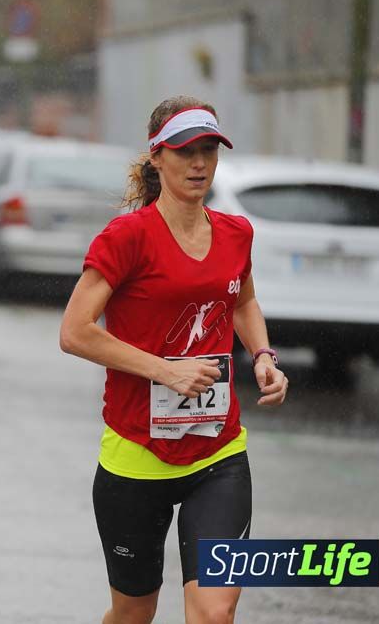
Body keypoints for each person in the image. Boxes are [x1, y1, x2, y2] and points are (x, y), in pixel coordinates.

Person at [59, 95, 288, 624]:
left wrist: (263, 356)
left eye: (209, 149)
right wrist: (165, 369)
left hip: (219, 453)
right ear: (157, 157)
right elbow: (74, 332)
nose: (199, 163)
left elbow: (243, 300)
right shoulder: (126, 238)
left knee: (213, 612)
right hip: (136, 454)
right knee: (134, 612)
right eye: (186, 151)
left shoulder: (237, 233)